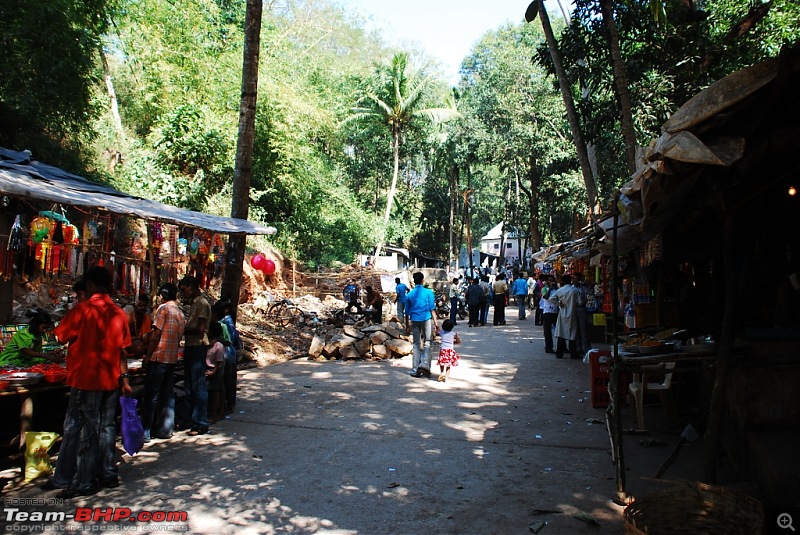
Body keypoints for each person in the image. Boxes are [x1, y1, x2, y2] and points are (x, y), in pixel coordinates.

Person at [50, 266, 132, 498]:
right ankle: (107, 473)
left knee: (85, 429)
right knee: (106, 428)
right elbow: (122, 350)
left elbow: (60, 336)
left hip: (86, 380)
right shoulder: (118, 313)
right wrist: (124, 379)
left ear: (90, 285)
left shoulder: (83, 309)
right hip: (111, 380)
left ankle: (83, 481)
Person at [140, 282, 185, 442]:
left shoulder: (163, 309)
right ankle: (165, 429)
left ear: (163, 295)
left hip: (159, 358)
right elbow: (179, 337)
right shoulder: (180, 314)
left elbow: (157, 334)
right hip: (171, 359)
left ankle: (145, 432)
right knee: (167, 395)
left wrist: (147, 356)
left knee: (151, 396)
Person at [179, 275, 211, 436]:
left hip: (198, 346)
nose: (184, 294)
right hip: (191, 346)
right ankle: (189, 419)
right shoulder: (193, 304)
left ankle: (201, 422)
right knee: (189, 385)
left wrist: (182, 330)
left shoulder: (202, 303)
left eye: (184, 290)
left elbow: (200, 328)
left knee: (198, 385)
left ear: (191, 287)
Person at [405, 272, 438, 378]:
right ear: (423, 280)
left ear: (414, 281)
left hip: (414, 319)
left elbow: (407, 311)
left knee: (416, 344)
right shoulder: (428, 293)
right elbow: (432, 308)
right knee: (428, 342)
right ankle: (425, 364)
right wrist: (436, 323)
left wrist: (407, 325)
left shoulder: (410, 294)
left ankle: (415, 369)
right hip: (426, 319)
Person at [214, 298, 241, 414]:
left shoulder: (225, 323)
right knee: (228, 380)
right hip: (229, 353)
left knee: (227, 381)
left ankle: (228, 404)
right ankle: (228, 403)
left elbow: (228, 339)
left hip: (227, 353)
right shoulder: (227, 321)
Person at [549, 274, 580, 359]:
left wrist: (559, 304)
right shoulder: (574, 290)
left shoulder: (560, 290)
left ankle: (559, 353)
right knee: (572, 334)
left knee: (561, 333)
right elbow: (580, 301)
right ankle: (573, 353)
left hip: (563, 313)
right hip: (573, 313)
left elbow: (551, 299)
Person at [205, 321, 226, 425]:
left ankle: (215, 415)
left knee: (215, 393)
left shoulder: (219, 346)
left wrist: (214, 372)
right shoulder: (206, 344)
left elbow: (219, 362)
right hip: (206, 369)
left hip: (215, 371)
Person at [125, 293, 152, 358]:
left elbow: (148, 337)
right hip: (128, 346)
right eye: (140, 306)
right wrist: (139, 338)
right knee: (139, 347)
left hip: (141, 344)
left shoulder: (147, 319)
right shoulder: (129, 318)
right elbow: (123, 339)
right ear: (134, 306)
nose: (143, 308)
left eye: (145, 306)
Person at [573, 272, 591, 355]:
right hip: (574, 308)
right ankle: (578, 347)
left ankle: (586, 347)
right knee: (576, 329)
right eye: (574, 279)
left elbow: (590, 294)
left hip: (582, 308)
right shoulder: (572, 288)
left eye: (576, 279)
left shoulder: (584, 288)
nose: (575, 281)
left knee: (584, 328)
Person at [540, 276, 559, 354]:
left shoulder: (556, 289)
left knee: (559, 330)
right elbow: (546, 297)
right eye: (549, 280)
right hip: (547, 312)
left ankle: (562, 347)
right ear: (547, 281)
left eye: (552, 281)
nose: (551, 282)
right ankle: (548, 347)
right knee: (548, 331)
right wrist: (550, 288)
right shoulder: (544, 289)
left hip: (555, 311)